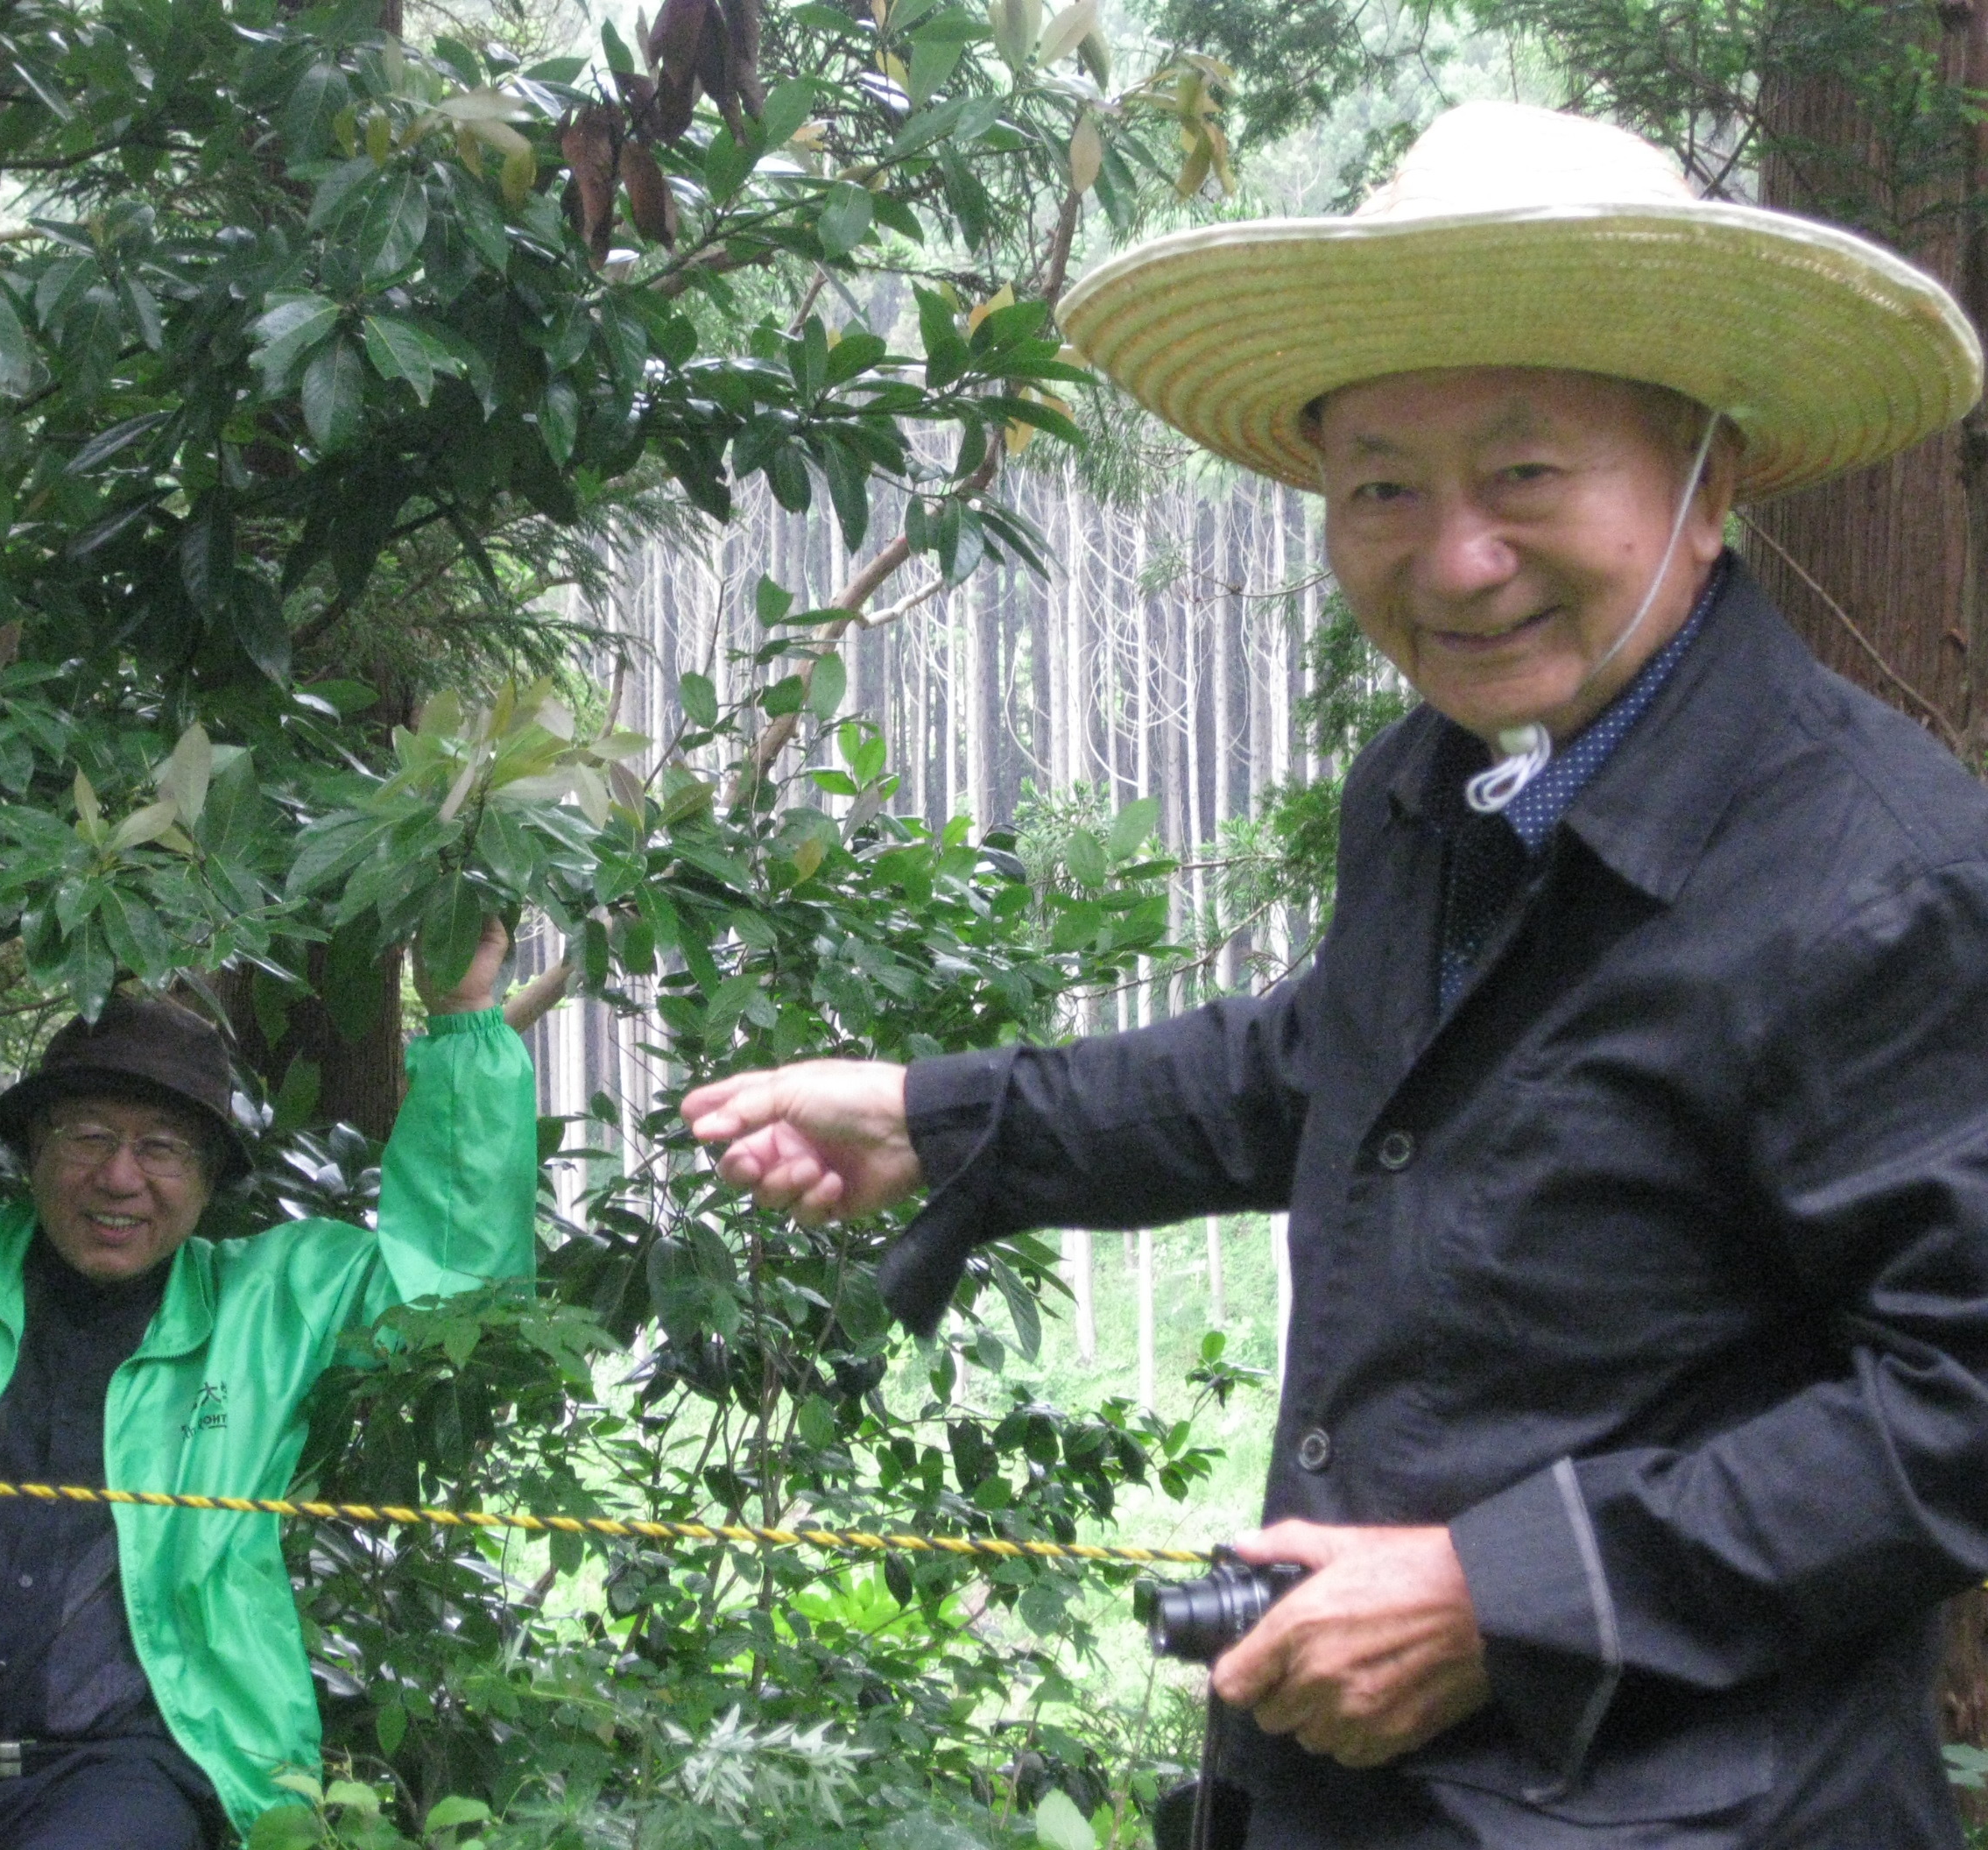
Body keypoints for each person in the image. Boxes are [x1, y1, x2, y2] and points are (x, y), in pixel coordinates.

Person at [686, 102, 1988, 1846]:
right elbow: (1328, 1069)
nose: (1451, 558)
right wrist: (943, 1120)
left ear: (1707, 468)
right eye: (1382, 486)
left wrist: (1502, 1594)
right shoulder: (1445, 789)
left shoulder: (1876, 878)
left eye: (1526, 476)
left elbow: (1956, 1404)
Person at [0, 921, 539, 1849]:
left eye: (164, 1148)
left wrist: (462, 1018)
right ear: (33, 1154)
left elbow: (454, 1293)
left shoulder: (270, 1308)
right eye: (88, 1136)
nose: (120, 1177)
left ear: (211, 1178)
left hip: (123, 1779)